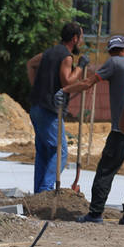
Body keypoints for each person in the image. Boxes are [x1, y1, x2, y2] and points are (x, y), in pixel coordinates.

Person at [26, 22, 91, 193]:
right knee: (60, 152)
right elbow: (67, 81)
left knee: (43, 152)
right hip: (49, 110)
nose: (82, 41)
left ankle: (38, 194)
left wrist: (37, 88)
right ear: (74, 38)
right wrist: (81, 67)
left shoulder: (49, 52)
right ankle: (46, 190)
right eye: (81, 38)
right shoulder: (66, 56)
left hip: (37, 106)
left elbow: (30, 64)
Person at [76, 35, 124, 225]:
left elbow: (88, 83)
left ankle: (95, 213)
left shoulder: (113, 63)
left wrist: (65, 91)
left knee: (106, 171)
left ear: (111, 51)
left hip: (120, 130)